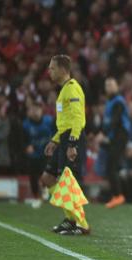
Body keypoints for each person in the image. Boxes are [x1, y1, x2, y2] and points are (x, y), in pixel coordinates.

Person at [39, 54, 89, 235]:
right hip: (64, 138)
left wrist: (72, 143)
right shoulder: (64, 90)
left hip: (72, 139)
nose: (49, 71)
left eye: (52, 68)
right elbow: (66, 121)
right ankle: (71, 219)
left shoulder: (73, 88)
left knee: (68, 182)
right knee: (48, 178)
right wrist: (55, 140)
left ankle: (79, 223)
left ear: (62, 69)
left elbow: (77, 118)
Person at [102, 77, 132, 209]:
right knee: (112, 166)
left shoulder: (118, 102)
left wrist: (103, 134)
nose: (109, 87)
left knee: (111, 166)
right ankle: (117, 195)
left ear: (117, 87)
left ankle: (118, 196)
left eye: (111, 84)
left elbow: (115, 121)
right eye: (107, 85)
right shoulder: (110, 102)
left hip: (120, 136)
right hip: (115, 137)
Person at [22, 101, 54, 208]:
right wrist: (26, 146)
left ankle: (46, 194)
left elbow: (56, 132)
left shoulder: (49, 121)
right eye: (33, 109)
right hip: (33, 155)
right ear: (29, 112)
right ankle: (36, 197)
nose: (35, 112)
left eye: (37, 109)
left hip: (46, 154)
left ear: (42, 111)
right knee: (33, 177)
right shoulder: (26, 125)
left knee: (46, 174)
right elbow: (22, 140)